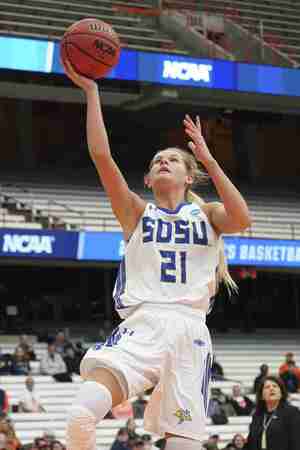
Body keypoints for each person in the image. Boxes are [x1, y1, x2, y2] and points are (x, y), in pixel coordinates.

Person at [62, 58, 251, 450]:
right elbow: (102, 157)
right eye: (156, 161)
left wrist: (210, 159)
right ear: (148, 179)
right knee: (82, 414)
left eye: (173, 159)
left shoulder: (209, 215)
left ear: (188, 176)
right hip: (144, 323)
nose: (163, 162)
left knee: (184, 443)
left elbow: (242, 219)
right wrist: (93, 93)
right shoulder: (136, 212)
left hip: (190, 332)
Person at [244, 375, 300, 450]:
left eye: (275, 386)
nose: (271, 388)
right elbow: (251, 443)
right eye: (267, 387)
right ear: (261, 396)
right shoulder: (257, 416)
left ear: (281, 393)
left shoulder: (292, 412)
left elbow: (296, 442)